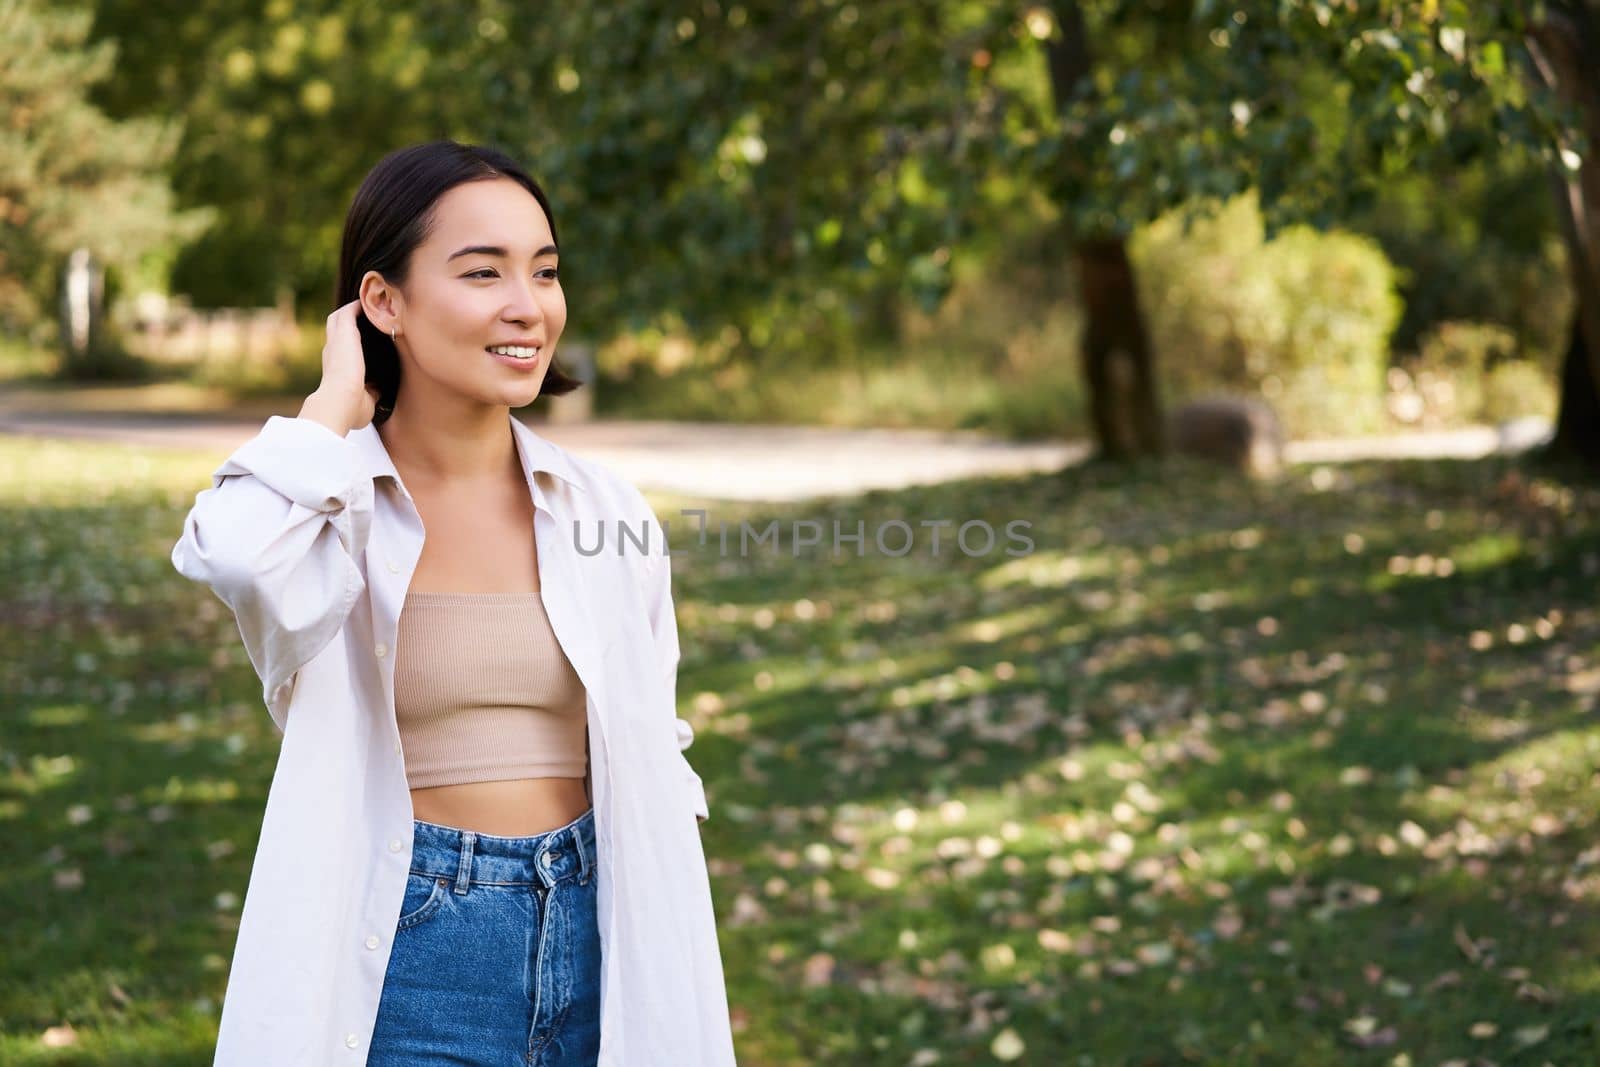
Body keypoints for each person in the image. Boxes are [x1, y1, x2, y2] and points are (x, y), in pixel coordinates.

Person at [171, 140, 738, 1066]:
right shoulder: (329, 502)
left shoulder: (603, 508)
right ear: (382, 302)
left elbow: (651, 740)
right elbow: (230, 554)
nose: (528, 305)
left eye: (544, 271)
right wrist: (332, 402)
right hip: (418, 950)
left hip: (603, 932)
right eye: (483, 272)